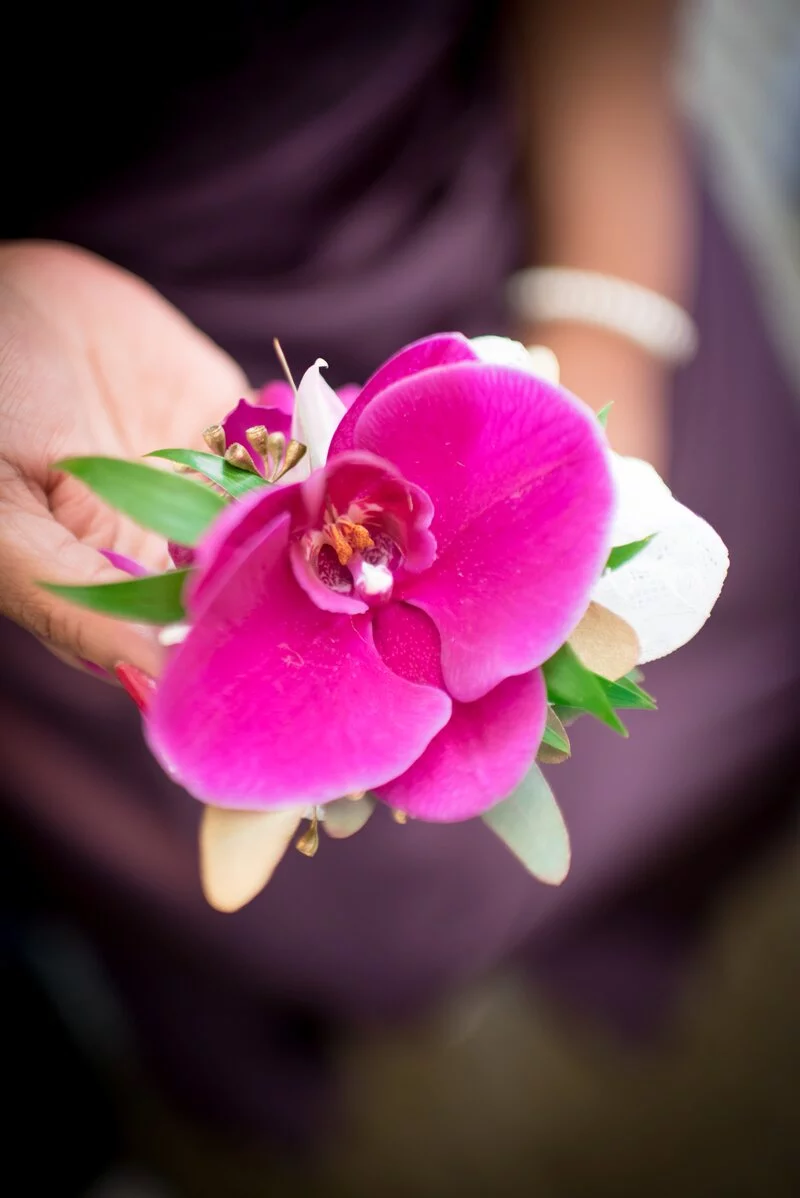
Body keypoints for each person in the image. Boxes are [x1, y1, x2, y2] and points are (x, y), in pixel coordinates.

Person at [2, 0, 798, 1170]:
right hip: (100, 436)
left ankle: (620, 945)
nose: (358, 555)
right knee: (290, 910)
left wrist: (605, 323)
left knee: (732, 677)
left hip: (500, 247)